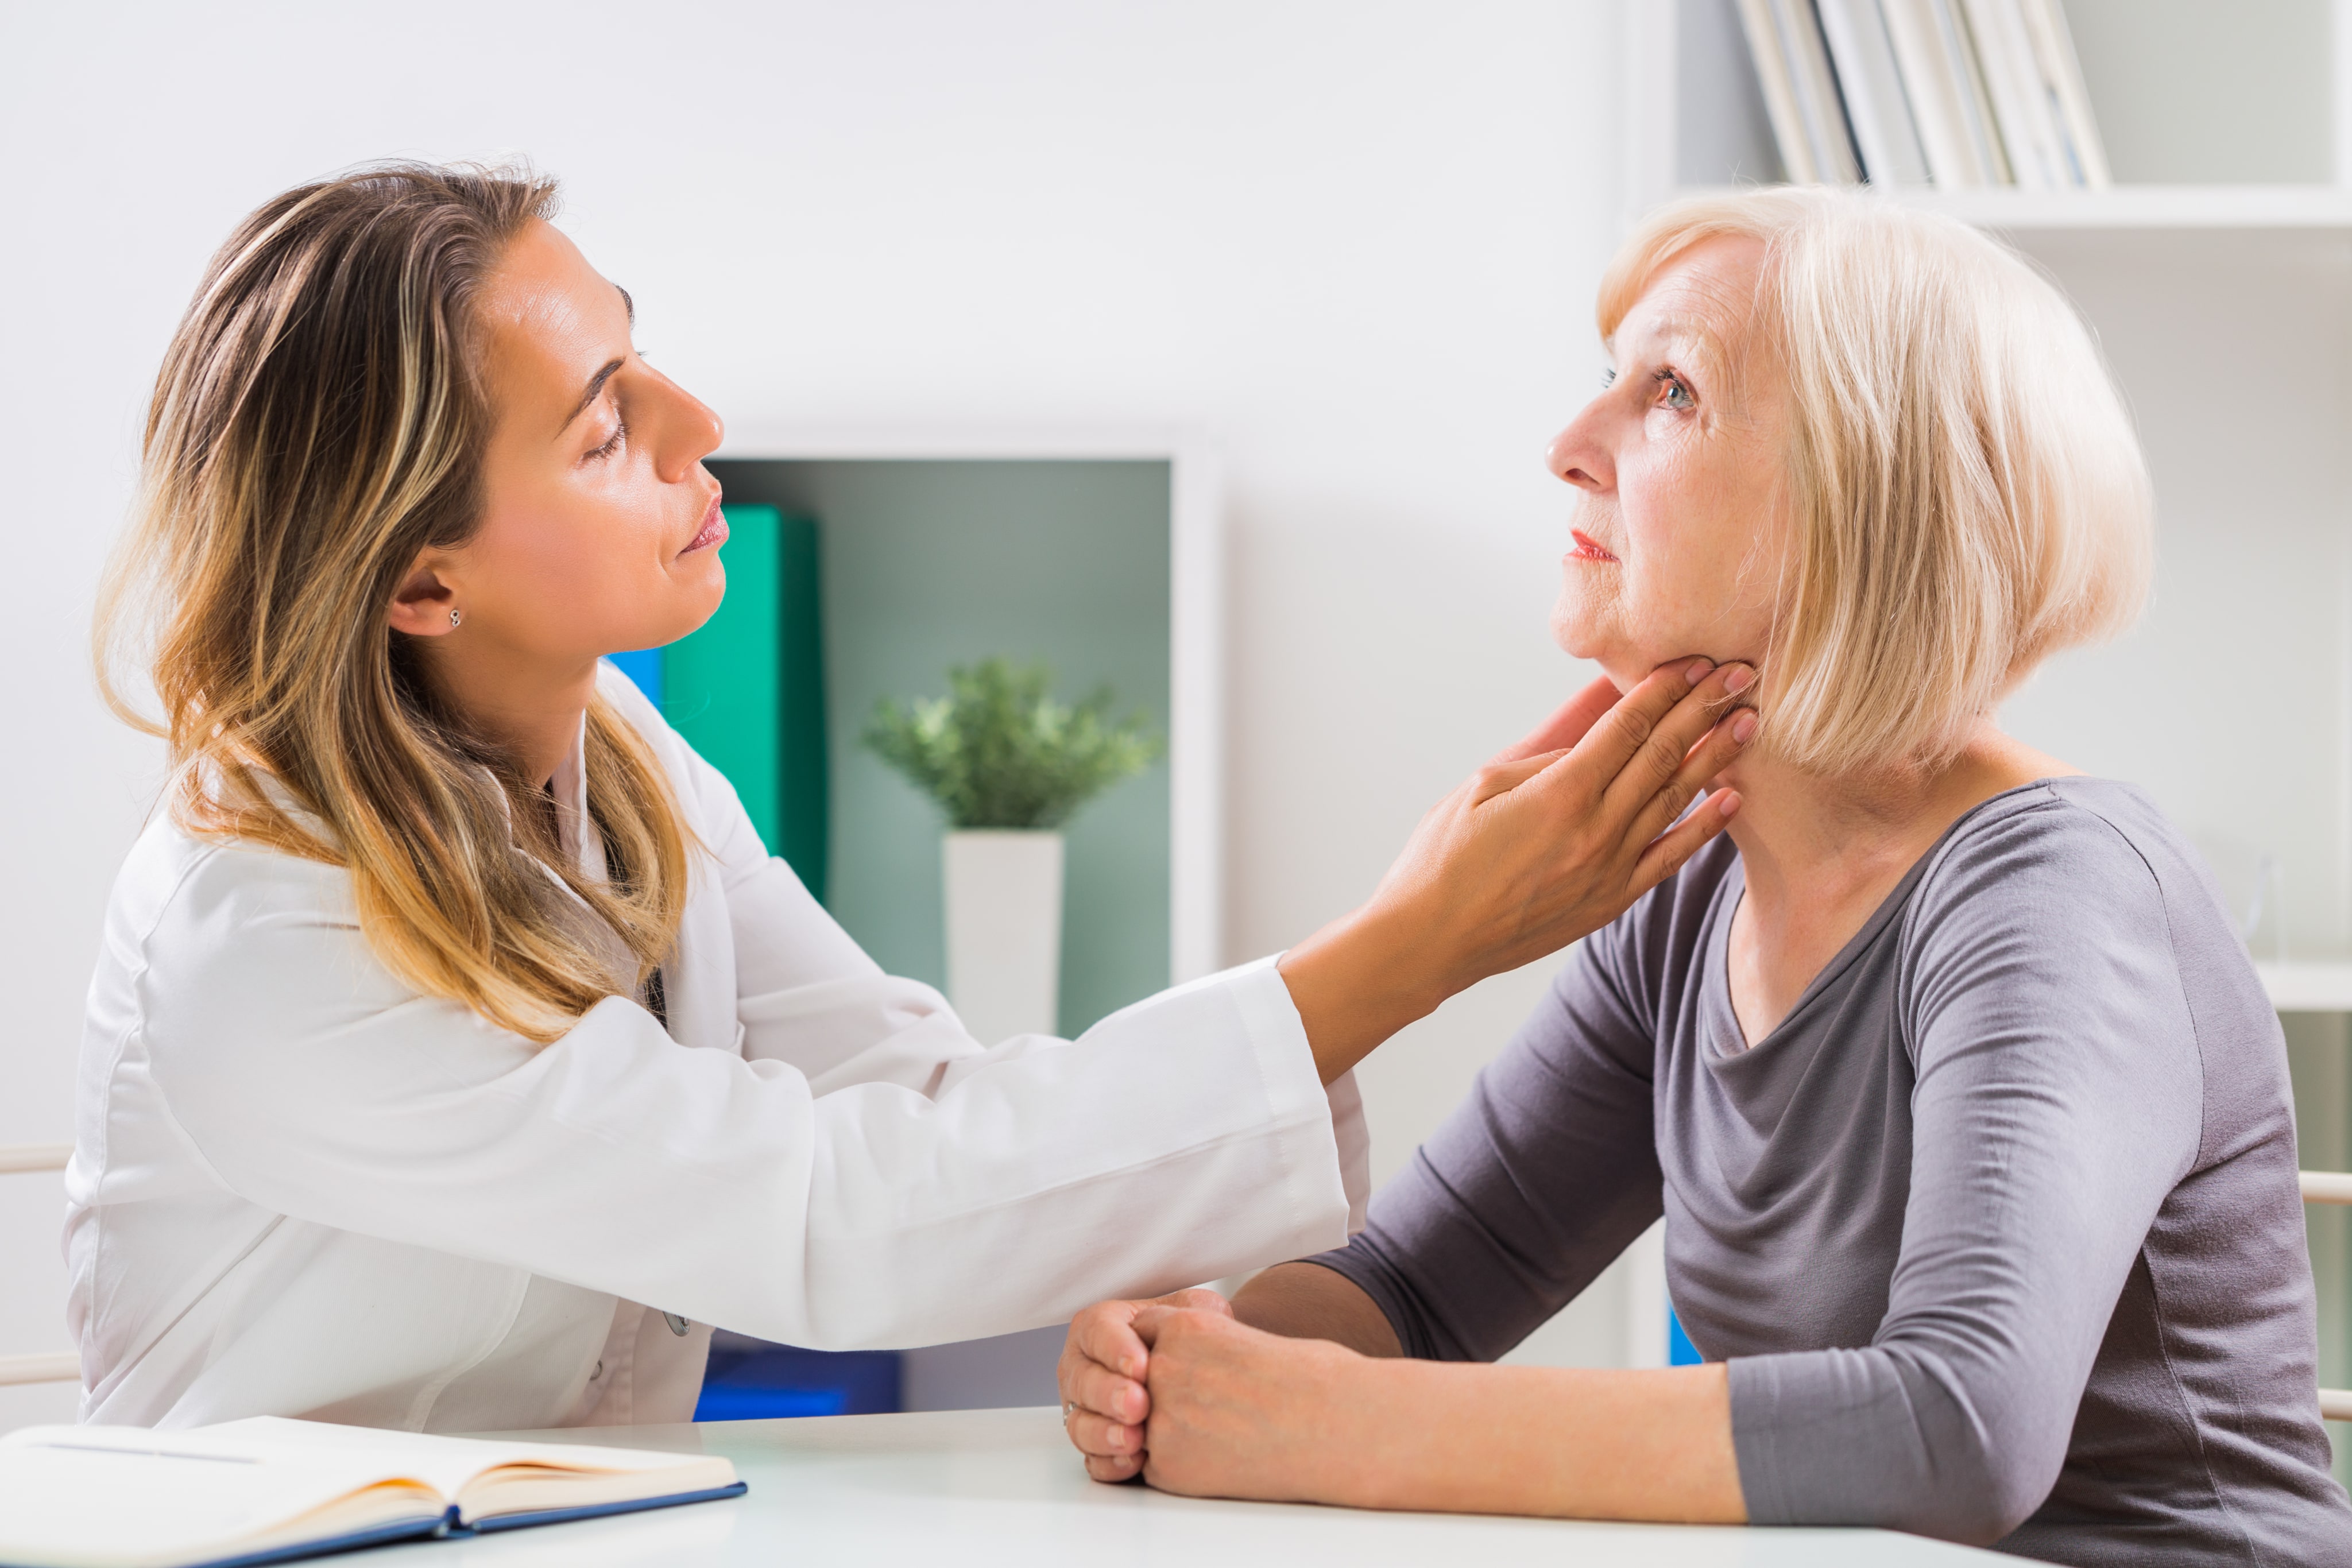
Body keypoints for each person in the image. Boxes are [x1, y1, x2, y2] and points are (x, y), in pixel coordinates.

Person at [67, 163, 1754, 1434]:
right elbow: (827, 1217)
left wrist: (1144, 1267)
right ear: (422, 586)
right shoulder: (266, 929)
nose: (698, 420)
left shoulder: (624, 762)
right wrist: (1416, 944)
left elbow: (922, 1093)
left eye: (641, 357)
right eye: (601, 433)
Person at [1055, 187, 2352, 1566]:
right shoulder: (1692, 899)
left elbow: (1958, 1427)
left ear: (1864, 495)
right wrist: (1190, 1358)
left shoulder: (2056, 892)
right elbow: (1422, 1289)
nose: (1566, 448)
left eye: (1669, 392)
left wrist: (1334, 1424)